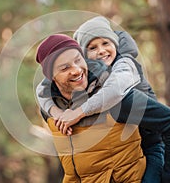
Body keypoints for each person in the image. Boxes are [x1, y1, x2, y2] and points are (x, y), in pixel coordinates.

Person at [36, 18, 170, 183]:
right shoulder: (55, 101)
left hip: (150, 147)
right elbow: (42, 91)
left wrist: (80, 112)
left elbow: (115, 90)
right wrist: (55, 112)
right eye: (92, 47)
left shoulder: (121, 76)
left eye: (105, 43)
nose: (101, 51)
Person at [36, 34, 146, 182]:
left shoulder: (114, 95)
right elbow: (41, 92)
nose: (75, 70)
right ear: (51, 77)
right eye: (64, 68)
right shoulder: (49, 106)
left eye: (77, 60)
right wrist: (55, 112)